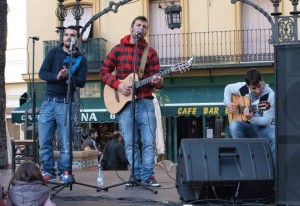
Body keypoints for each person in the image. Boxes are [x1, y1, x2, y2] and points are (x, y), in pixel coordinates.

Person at [100, 16, 163, 187]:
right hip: (124, 104)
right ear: (131, 28)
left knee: (149, 142)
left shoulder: (151, 52)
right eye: (138, 25)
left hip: (145, 101)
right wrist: (118, 85)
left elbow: (157, 81)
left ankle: (148, 176)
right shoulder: (118, 49)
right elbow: (104, 71)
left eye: (144, 26)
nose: (141, 28)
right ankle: (135, 176)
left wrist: (158, 81)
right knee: (130, 142)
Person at [38, 25, 87, 183]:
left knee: (66, 141)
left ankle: (65, 172)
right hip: (48, 102)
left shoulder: (80, 58)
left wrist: (69, 77)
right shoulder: (53, 53)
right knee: (45, 140)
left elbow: (82, 81)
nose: (68, 37)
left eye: (72, 35)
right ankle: (48, 171)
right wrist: (57, 76)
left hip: (66, 103)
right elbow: (42, 73)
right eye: (66, 34)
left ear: (77, 39)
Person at [224, 68, 275, 161]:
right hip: (248, 126)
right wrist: (228, 103)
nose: (258, 90)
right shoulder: (242, 88)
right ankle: (245, 160)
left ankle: (275, 170)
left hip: (264, 128)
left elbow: (267, 121)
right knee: (234, 126)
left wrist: (251, 118)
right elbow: (228, 88)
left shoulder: (270, 95)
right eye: (253, 88)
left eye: (259, 86)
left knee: (275, 136)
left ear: (262, 80)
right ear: (247, 85)